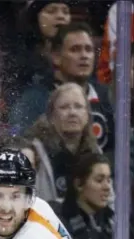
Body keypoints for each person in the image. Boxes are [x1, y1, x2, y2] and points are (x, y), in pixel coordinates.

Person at [9, 22, 115, 155]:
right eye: (75, 49)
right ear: (56, 57)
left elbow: (121, 149)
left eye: (89, 49)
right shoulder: (33, 99)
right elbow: (18, 144)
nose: (84, 56)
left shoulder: (107, 97)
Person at [23, 83, 100, 202]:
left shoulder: (95, 152)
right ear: (51, 116)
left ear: (87, 115)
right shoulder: (35, 152)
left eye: (78, 106)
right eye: (64, 107)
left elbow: (109, 201)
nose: (72, 113)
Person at [49, 153, 117, 239]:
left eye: (108, 180)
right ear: (79, 184)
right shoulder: (58, 222)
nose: (107, 187)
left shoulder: (111, 222)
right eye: (99, 180)